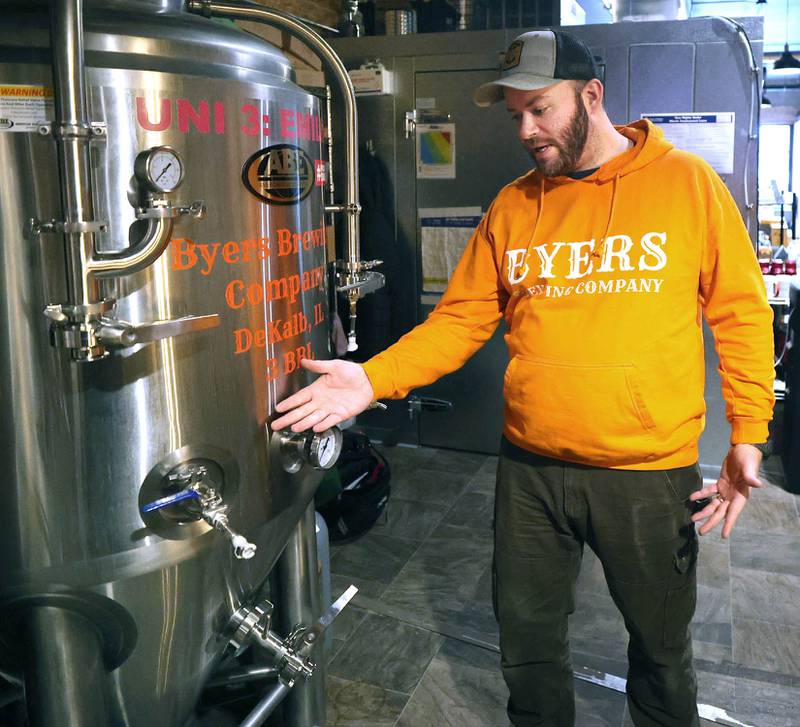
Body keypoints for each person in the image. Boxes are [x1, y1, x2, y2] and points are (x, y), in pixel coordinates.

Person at [271, 29, 774, 727]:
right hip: (531, 469)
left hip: (646, 470)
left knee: (660, 647)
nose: (527, 130)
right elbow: (457, 323)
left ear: (590, 96)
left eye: (540, 108)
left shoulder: (686, 184)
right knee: (528, 643)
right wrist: (371, 379)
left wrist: (749, 431)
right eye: (515, 116)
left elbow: (741, 313)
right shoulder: (514, 205)